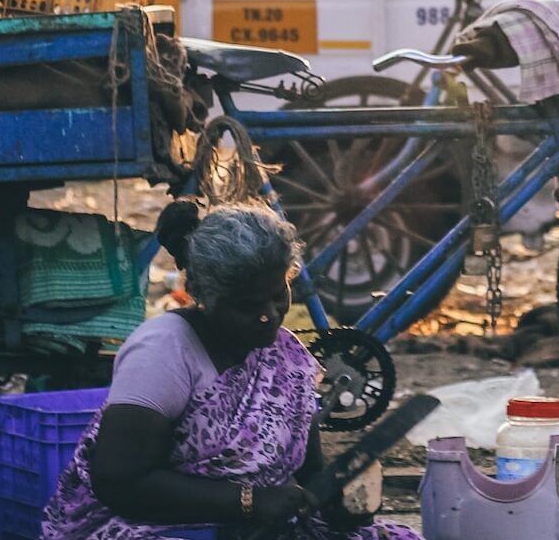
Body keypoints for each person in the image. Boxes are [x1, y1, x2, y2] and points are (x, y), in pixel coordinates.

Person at [40, 203, 421, 540]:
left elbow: (309, 473)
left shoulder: (286, 356)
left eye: (278, 295)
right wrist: (248, 502)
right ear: (205, 297)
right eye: (248, 305)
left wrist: (337, 506)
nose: (269, 314)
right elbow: (120, 481)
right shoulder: (163, 351)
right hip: (145, 526)